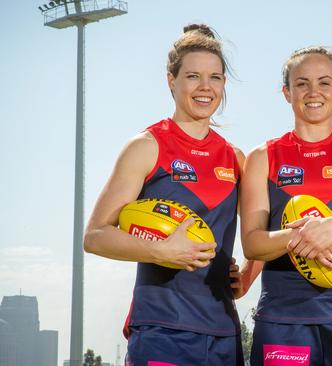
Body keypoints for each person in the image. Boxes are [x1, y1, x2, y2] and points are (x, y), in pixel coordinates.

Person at [84, 24, 255, 366]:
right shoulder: (146, 147)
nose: (205, 87)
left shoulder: (236, 158)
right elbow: (95, 236)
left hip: (222, 330)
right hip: (161, 328)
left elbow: (260, 231)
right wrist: (161, 250)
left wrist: (248, 276)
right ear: (171, 80)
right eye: (193, 76)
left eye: (216, 77)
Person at [240, 46, 332, 365]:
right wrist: (306, 235)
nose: (313, 92)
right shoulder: (262, 157)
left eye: (324, 83)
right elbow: (252, 244)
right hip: (284, 319)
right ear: (286, 92)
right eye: (302, 83)